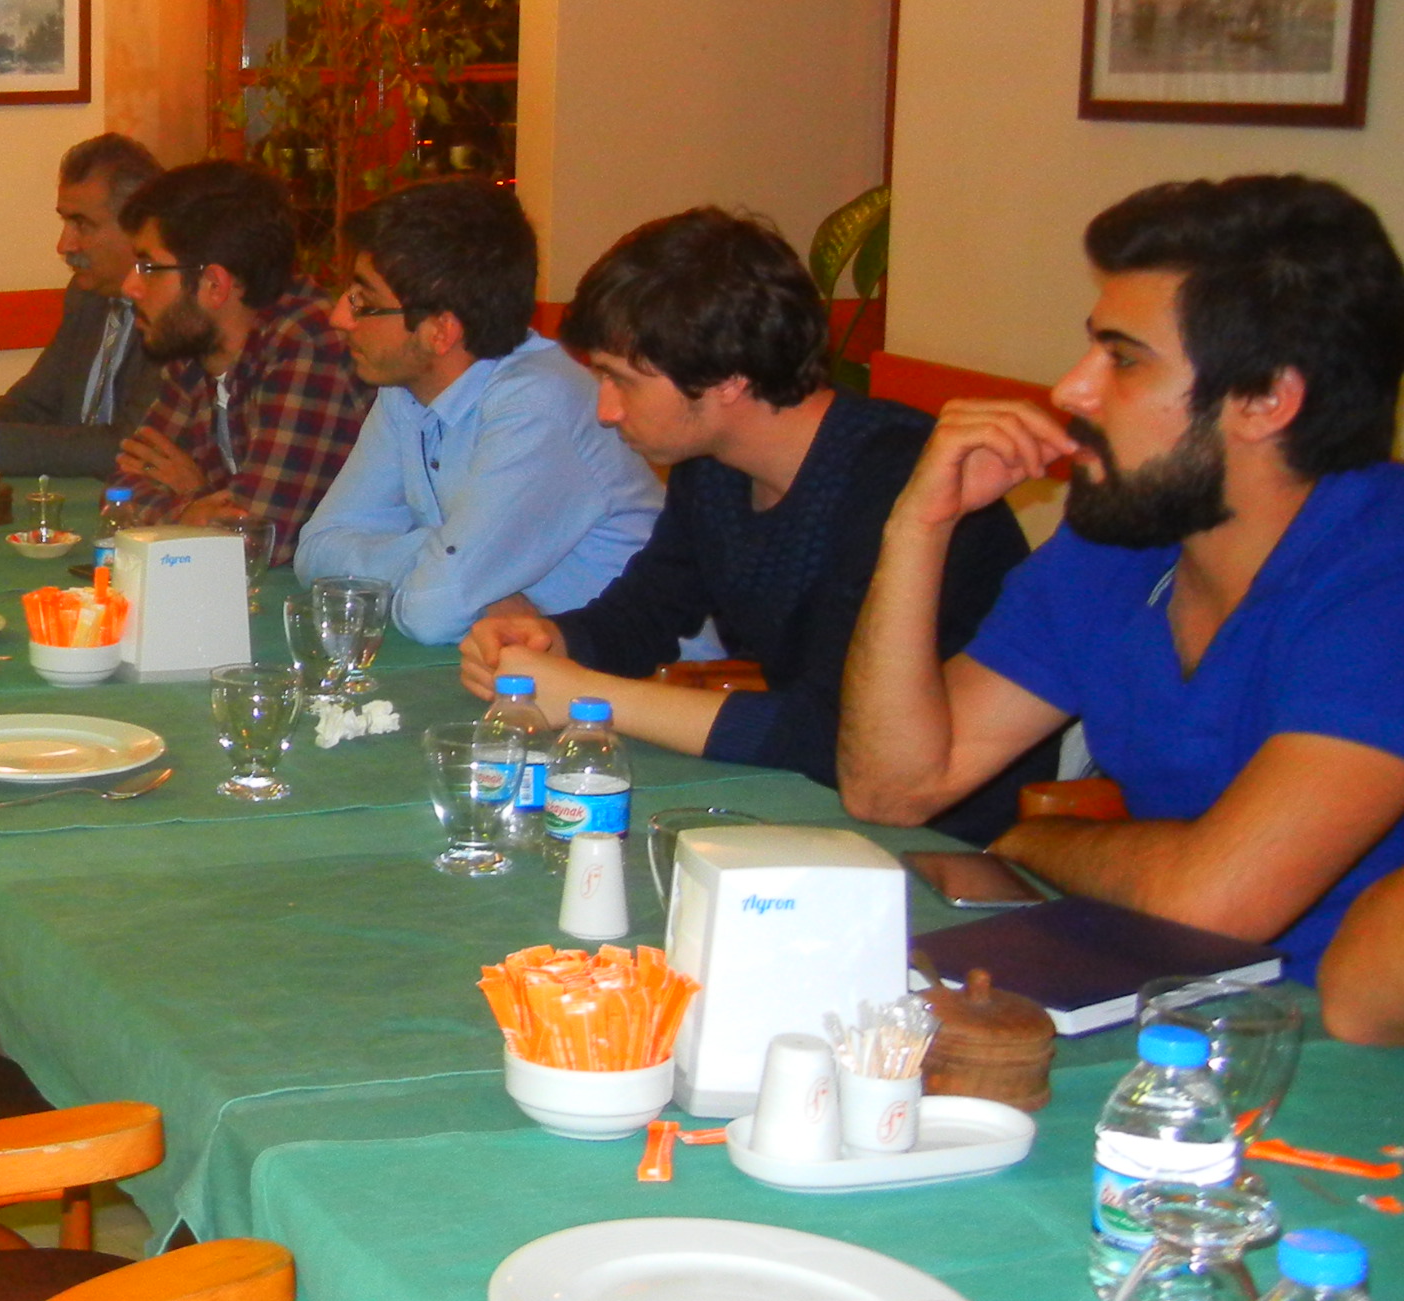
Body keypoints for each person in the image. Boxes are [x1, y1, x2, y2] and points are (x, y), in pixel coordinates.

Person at [838, 175, 1404, 1026]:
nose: (1072, 390)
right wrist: (918, 528)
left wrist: (1038, 841)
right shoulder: (1122, 542)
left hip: (1334, 1041)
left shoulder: (1381, 576)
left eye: (1124, 358)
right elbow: (891, 789)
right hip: (1161, 993)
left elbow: (1211, 904)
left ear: (1265, 401)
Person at [458, 207, 1044, 839]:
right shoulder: (713, 465)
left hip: (949, 833)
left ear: (728, 379)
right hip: (814, 798)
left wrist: (583, 696)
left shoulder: (900, 480)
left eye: (620, 380)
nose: (606, 410)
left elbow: (827, 731)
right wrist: (549, 641)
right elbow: (646, 614)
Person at [296, 177, 659, 644]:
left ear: (441, 331)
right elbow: (316, 551)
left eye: (364, 302)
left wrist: (445, 580)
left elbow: (431, 613)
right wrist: (444, 563)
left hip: (657, 672)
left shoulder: (537, 403)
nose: (339, 317)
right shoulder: (407, 390)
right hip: (531, 661)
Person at [109, 159, 364, 547]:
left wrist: (194, 494)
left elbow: (258, 538)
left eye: (148, 266)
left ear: (215, 284)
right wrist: (188, 512)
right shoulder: (194, 346)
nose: (130, 286)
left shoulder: (306, 346)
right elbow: (121, 491)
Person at [0, 132, 165, 476]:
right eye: (65, 221)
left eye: (82, 224)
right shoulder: (86, 295)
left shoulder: (175, 311)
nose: (64, 245)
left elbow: (127, 447)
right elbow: (33, 405)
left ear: (138, 227)